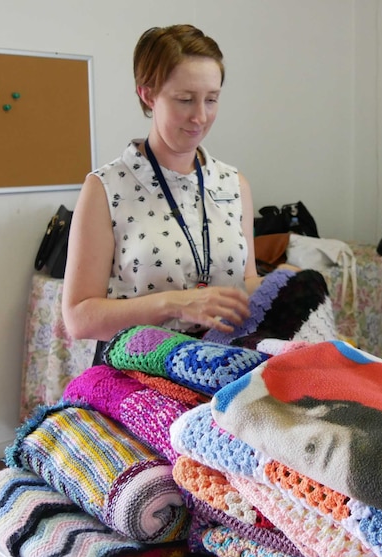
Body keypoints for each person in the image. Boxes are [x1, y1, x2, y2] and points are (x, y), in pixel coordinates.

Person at [63, 24, 259, 358]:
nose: (200, 116)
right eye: (185, 100)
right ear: (148, 94)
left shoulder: (232, 184)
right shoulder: (105, 189)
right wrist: (175, 305)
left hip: (224, 365)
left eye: (211, 99)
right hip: (139, 372)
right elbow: (79, 319)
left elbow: (247, 282)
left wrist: (283, 287)